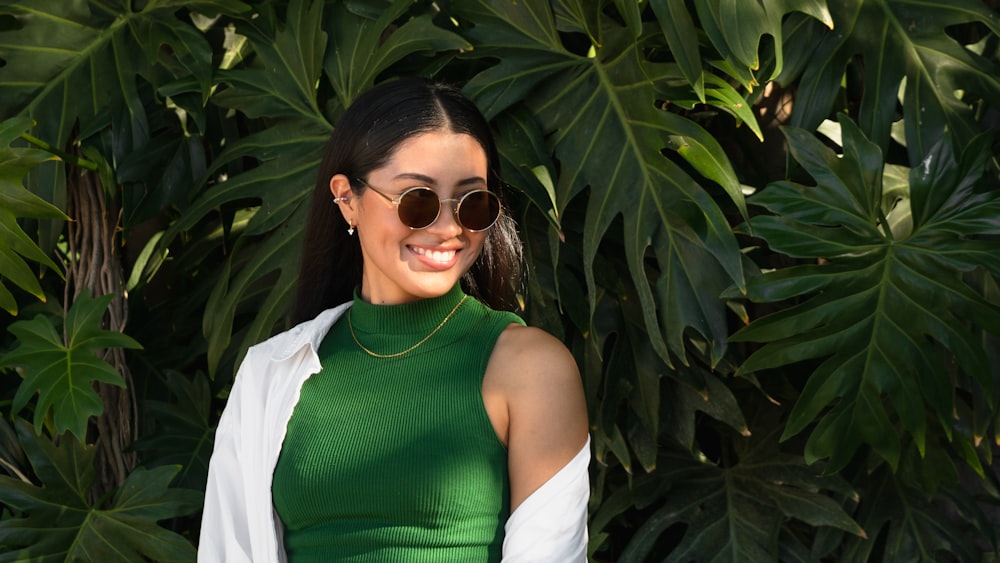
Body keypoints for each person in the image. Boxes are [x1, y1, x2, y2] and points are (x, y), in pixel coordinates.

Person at [198, 77, 590, 562]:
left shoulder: (530, 371)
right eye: (418, 200)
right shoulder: (271, 372)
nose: (449, 228)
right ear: (347, 199)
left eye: (473, 203)